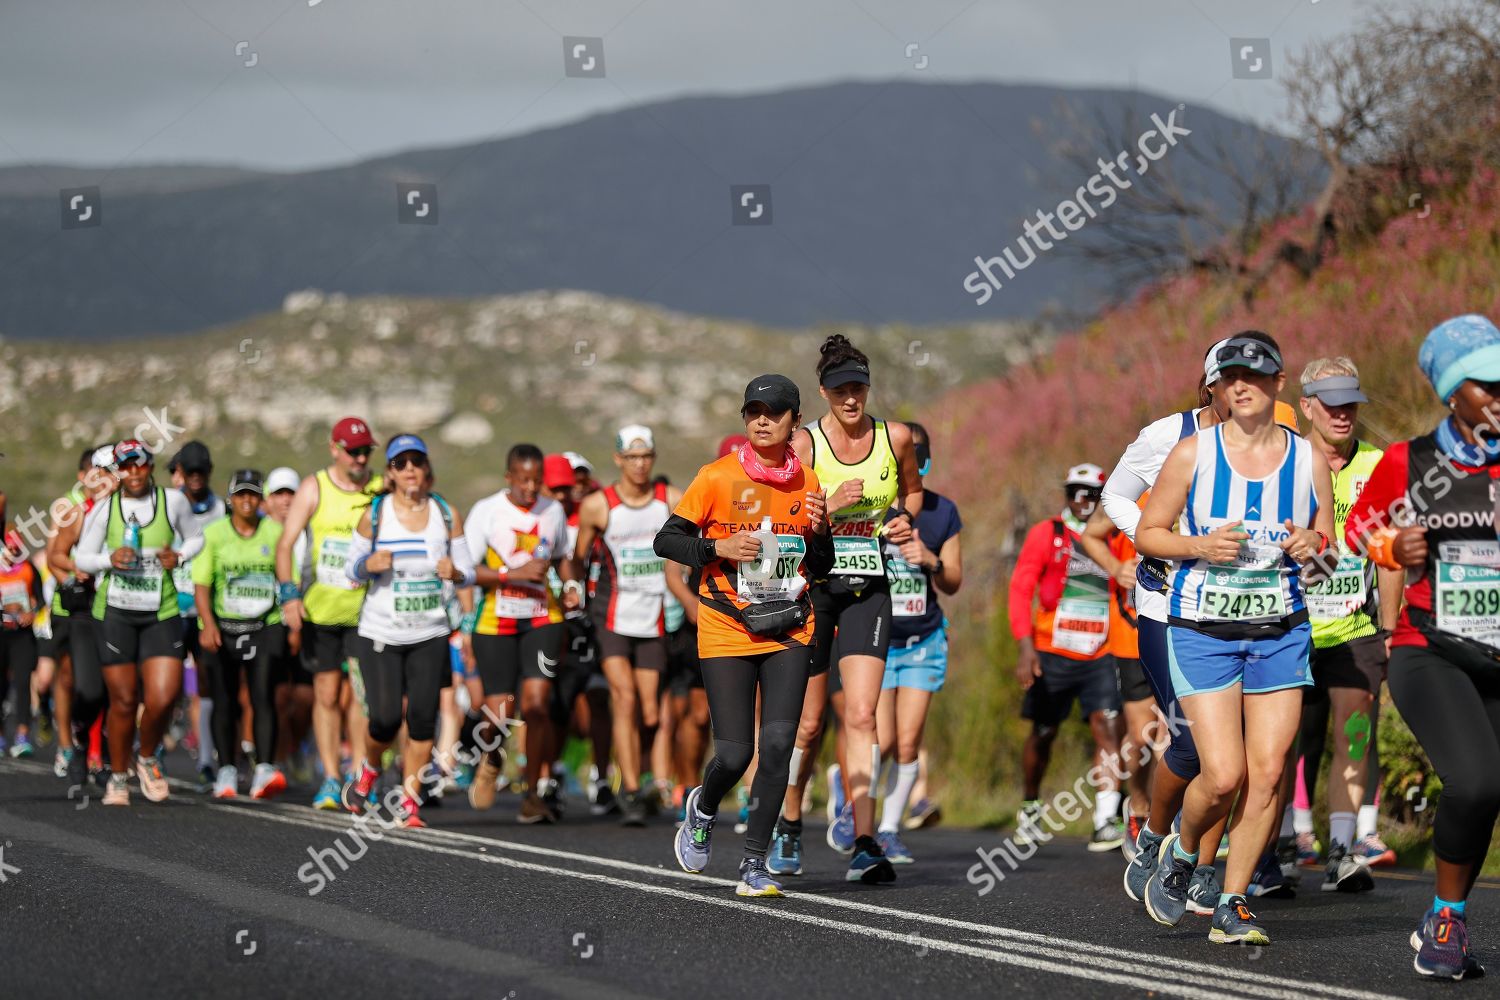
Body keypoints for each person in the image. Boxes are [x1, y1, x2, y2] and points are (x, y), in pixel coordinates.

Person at [1138, 334, 1333, 946]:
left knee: (1269, 773)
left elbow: (1328, 557)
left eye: (1255, 374)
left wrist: (1314, 548)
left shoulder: (1310, 462)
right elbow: (1148, 533)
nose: (1241, 384)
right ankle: (1183, 847)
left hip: (1280, 631)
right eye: (1230, 376)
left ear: (1279, 384)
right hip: (1203, 632)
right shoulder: (1193, 455)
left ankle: (1232, 900)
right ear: (1217, 389)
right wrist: (1198, 546)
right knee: (1222, 776)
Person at [1345, 314, 1500, 980]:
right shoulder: (1411, 462)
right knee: (1475, 779)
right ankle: (1445, 918)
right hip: (1428, 646)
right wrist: (1390, 546)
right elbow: (1357, 531)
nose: (1499, 393)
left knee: (1487, 793)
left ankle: (1451, 916)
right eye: (1485, 383)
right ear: (1452, 392)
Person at [656, 373, 834, 897]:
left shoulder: (809, 484)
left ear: (793, 422)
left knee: (779, 744)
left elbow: (819, 566)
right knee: (735, 755)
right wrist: (718, 550)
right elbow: (666, 540)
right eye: (753, 410)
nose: (761, 419)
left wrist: (821, 534)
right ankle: (703, 807)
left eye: (774, 412)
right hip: (727, 625)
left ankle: (754, 863)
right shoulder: (715, 477)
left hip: (791, 625)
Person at [778, 335, 923, 884]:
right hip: (813, 590)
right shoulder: (807, 445)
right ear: (824, 392)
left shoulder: (896, 437)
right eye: (840, 390)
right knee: (810, 723)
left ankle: (864, 841)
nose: (851, 398)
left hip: (868, 585)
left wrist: (904, 518)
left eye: (858, 387)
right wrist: (827, 509)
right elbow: (784, 517)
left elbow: (912, 491)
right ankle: (789, 822)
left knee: (861, 715)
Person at [1283, 357, 1394, 893]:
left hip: (1355, 632)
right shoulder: (1283, 459)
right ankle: (1281, 841)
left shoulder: (1381, 463)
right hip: (1290, 630)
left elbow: (1394, 550)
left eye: (1350, 402)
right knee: (1281, 745)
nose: (1343, 413)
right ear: (1307, 406)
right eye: (1331, 403)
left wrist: (1392, 630)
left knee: (1353, 736)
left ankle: (1344, 851)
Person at [346, 435, 475, 828]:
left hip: (430, 632)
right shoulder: (375, 514)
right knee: (384, 719)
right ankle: (369, 769)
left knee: (422, 718)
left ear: (426, 468)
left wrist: (453, 572)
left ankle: (409, 798)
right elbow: (349, 572)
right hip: (381, 631)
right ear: (390, 473)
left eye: (416, 462)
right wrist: (370, 563)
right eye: (401, 464)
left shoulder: (444, 512)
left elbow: (467, 572)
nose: (409, 470)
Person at [74, 440, 206, 806]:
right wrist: (108, 560)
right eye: (126, 467)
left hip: (160, 611)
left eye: (140, 465)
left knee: (164, 696)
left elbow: (197, 538)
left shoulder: (172, 502)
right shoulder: (106, 508)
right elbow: (83, 557)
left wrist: (178, 556)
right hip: (115, 613)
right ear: (118, 471)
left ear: (150, 465)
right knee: (125, 700)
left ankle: (146, 757)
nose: (134, 473)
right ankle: (118, 776)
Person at [1009, 463, 1126, 851]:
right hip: (1053, 652)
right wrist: (1026, 646)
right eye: (1074, 491)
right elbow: (1021, 588)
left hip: (1101, 651)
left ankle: (1106, 818)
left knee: (1109, 727)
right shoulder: (1049, 533)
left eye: (1091, 493)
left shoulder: (1114, 535)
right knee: (1043, 732)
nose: (1082, 500)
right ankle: (1030, 805)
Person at [462, 444, 581, 823]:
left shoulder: (554, 511)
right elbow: (465, 570)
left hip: (543, 618)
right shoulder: (487, 511)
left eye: (536, 481)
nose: (531, 488)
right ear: (508, 477)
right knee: (501, 712)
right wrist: (512, 575)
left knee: (536, 705)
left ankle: (532, 794)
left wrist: (571, 583)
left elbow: (563, 557)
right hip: (495, 619)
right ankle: (492, 757)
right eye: (523, 480)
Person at [573, 425, 682, 826]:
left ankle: (649, 778)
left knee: (651, 712)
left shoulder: (670, 500)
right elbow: (577, 557)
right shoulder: (599, 505)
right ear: (619, 460)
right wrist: (574, 594)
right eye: (632, 458)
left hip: (654, 614)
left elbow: (689, 543)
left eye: (646, 457)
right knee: (624, 698)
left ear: (653, 459)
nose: (639, 465)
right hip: (611, 615)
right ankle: (632, 790)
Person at [866, 422, 962, 866]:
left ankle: (888, 830)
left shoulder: (943, 512)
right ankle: (854, 805)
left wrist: (931, 559)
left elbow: (954, 580)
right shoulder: (874, 508)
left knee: (907, 742)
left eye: (921, 454)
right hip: (878, 638)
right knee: (880, 740)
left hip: (924, 637)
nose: (915, 462)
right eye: (908, 454)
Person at [276, 417, 383, 810]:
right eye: (353, 450)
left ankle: (357, 774)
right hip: (322, 610)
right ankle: (330, 777)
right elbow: (285, 544)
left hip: (367, 611)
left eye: (366, 451)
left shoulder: (380, 489)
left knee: (360, 695)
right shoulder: (314, 487)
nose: (359, 458)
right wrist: (290, 595)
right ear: (334, 449)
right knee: (325, 694)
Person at [193, 470, 289, 800]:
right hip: (225, 626)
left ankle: (264, 768)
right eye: (241, 495)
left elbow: (287, 574)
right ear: (231, 499)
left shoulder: (275, 532)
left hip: (265, 624)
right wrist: (207, 624)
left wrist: (292, 606)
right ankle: (226, 770)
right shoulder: (215, 533)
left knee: (263, 695)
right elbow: (202, 585)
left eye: (253, 495)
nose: (247, 501)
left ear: (260, 500)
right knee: (225, 699)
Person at [1078, 500, 1154, 859]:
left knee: (1175, 735)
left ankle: (1174, 820)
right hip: (1132, 635)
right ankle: (1138, 809)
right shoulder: (1135, 488)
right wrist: (1115, 567)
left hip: (1184, 631)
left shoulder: (1201, 478)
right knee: (1141, 738)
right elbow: (1090, 534)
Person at [45, 445, 118, 789]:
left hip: (114, 607)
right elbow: (53, 556)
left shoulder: (130, 509)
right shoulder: (76, 510)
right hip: (72, 606)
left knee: (108, 684)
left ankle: (98, 751)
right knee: (70, 677)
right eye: (99, 473)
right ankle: (66, 744)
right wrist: (75, 572)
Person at [170, 441, 226, 788]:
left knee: (207, 685)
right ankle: (151, 751)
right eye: (188, 472)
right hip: (170, 607)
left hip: (205, 608)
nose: (194, 478)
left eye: (200, 472)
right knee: (165, 684)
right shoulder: (167, 504)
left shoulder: (221, 507)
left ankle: (207, 759)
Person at [263, 466, 314, 781]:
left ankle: (295, 747)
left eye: (290, 494)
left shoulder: (309, 531)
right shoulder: (260, 530)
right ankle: (274, 758)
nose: (284, 500)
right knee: (277, 696)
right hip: (270, 622)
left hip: (307, 620)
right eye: (278, 494)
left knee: (306, 699)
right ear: (268, 499)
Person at [0, 530, 44, 756]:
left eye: (17, 548)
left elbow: (41, 599)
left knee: (24, 682)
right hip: (2, 633)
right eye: (10, 548)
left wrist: (32, 612)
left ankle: (22, 735)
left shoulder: (28, 568)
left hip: (22, 635)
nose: (14, 552)